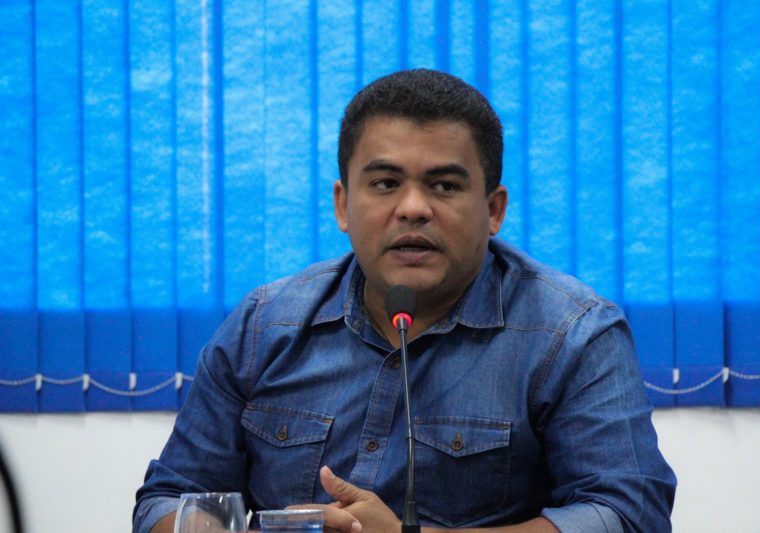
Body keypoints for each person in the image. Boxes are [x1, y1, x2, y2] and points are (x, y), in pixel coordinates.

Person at [134, 69, 676, 533]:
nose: (413, 208)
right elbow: (170, 500)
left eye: (444, 186)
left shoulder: (573, 333)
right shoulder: (264, 326)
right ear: (343, 205)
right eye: (386, 183)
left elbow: (628, 515)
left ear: (493, 210)